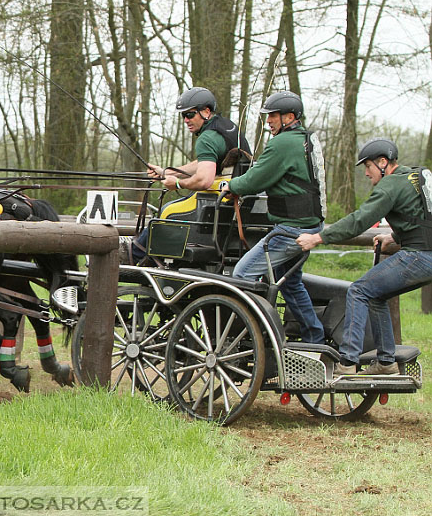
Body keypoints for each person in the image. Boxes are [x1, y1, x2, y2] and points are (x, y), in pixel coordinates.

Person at [297, 138, 432, 375]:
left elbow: (359, 220)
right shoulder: (417, 177)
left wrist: (318, 238)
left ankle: (347, 362)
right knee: (376, 296)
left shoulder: (390, 185)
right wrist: (395, 236)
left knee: (359, 290)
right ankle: (386, 362)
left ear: (383, 162)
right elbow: (421, 214)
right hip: (425, 255)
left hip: (418, 257)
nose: (367, 174)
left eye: (368, 167)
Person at [219, 91, 326, 344]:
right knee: (290, 284)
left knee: (242, 274)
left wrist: (231, 186)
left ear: (289, 117)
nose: (269, 121)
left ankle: (261, 338)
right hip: (308, 225)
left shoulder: (283, 143)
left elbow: (257, 179)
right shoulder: (306, 139)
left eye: (273, 116)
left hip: (291, 229)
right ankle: (315, 339)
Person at [125, 87, 251, 263]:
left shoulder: (206, 138)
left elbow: (204, 179)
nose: (186, 120)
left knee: (167, 210)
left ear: (206, 111)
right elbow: (205, 163)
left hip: (216, 201)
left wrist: (177, 184)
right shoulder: (227, 127)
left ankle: (137, 255)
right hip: (232, 203)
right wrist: (166, 172)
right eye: (183, 115)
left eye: (190, 114)